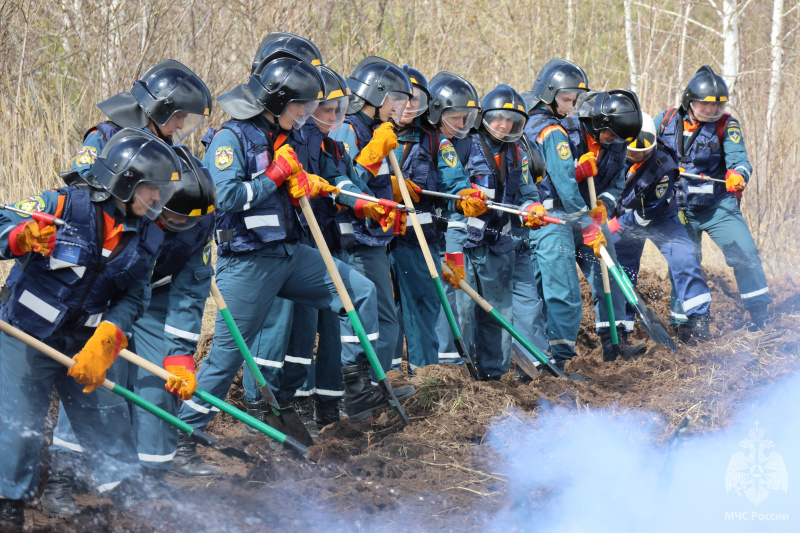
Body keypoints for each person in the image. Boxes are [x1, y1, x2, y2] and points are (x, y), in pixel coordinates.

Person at [177, 51, 411, 475]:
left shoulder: (288, 136)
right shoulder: (232, 138)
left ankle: (357, 385)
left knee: (359, 292)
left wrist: (311, 183)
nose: (307, 114)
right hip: (247, 262)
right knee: (226, 357)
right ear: (277, 101)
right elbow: (225, 198)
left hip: (291, 253)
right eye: (301, 105)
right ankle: (182, 437)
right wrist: (274, 177)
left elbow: (321, 176)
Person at [0, 129, 182, 526]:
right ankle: (9, 503)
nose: (158, 199)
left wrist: (107, 338)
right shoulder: (61, 205)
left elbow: (136, 298)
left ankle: (131, 501)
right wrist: (18, 237)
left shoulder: (149, 236)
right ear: (126, 183)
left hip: (84, 342)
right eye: (152, 189)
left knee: (108, 419)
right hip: (25, 334)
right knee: (18, 425)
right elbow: (2, 223)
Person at [41, 148, 218, 517]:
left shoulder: (200, 222)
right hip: (106, 296)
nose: (179, 224)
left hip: (156, 299)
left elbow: (191, 290)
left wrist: (180, 353)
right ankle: (63, 476)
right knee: (94, 379)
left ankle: (150, 481)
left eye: (187, 220)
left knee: (162, 384)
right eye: (173, 215)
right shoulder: (124, 206)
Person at [528, 84, 646, 367]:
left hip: (590, 217)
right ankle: (555, 354)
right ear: (597, 123)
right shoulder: (562, 132)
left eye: (619, 138)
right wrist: (579, 178)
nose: (612, 141)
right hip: (556, 215)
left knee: (609, 273)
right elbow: (563, 183)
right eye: (609, 135)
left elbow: (617, 183)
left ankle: (615, 343)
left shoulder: (617, 141)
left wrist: (604, 205)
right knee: (560, 286)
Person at [655, 65, 770, 330]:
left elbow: (740, 160)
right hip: (677, 208)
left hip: (718, 206)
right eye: (705, 104)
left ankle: (760, 316)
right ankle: (684, 325)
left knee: (745, 252)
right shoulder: (665, 120)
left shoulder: (727, 125)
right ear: (689, 100)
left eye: (717, 104)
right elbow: (645, 150)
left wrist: (737, 174)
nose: (711, 110)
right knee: (683, 263)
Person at [460, 84, 550, 380]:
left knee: (498, 312)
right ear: (484, 116)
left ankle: (493, 376)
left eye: (511, 121)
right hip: (464, 242)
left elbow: (527, 192)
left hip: (498, 243)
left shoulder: (517, 153)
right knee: (463, 310)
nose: (504, 125)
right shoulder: (464, 145)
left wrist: (532, 208)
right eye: (498, 118)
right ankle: (458, 373)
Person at [329, 56, 412, 373]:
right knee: (378, 317)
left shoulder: (377, 129)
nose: (399, 107)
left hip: (377, 238)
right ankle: (373, 383)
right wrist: (375, 153)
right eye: (395, 99)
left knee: (385, 317)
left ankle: (381, 381)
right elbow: (346, 186)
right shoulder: (348, 129)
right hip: (358, 241)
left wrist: (394, 189)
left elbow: (373, 182)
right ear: (376, 95)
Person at [608, 112, 712, 343]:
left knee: (684, 257)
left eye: (644, 152)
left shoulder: (664, 168)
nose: (639, 156)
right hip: (622, 214)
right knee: (622, 271)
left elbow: (645, 216)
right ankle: (621, 330)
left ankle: (699, 319)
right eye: (633, 153)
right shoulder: (613, 154)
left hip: (660, 217)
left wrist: (615, 225)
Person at [387, 64, 448, 370]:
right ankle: (386, 376)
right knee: (382, 310)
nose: (408, 105)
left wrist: (466, 195)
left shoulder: (435, 141)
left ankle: (425, 375)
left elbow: (454, 181)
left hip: (418, 243)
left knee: (423, 307)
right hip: (376, 242)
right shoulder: (369, 134)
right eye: (402, 97)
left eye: (416, 99)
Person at [73, 59, 212, 176]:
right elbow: (81, 184)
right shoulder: (106, 136)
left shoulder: (166, 148)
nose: (181, 125)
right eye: (178, 117)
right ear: (159, 110)